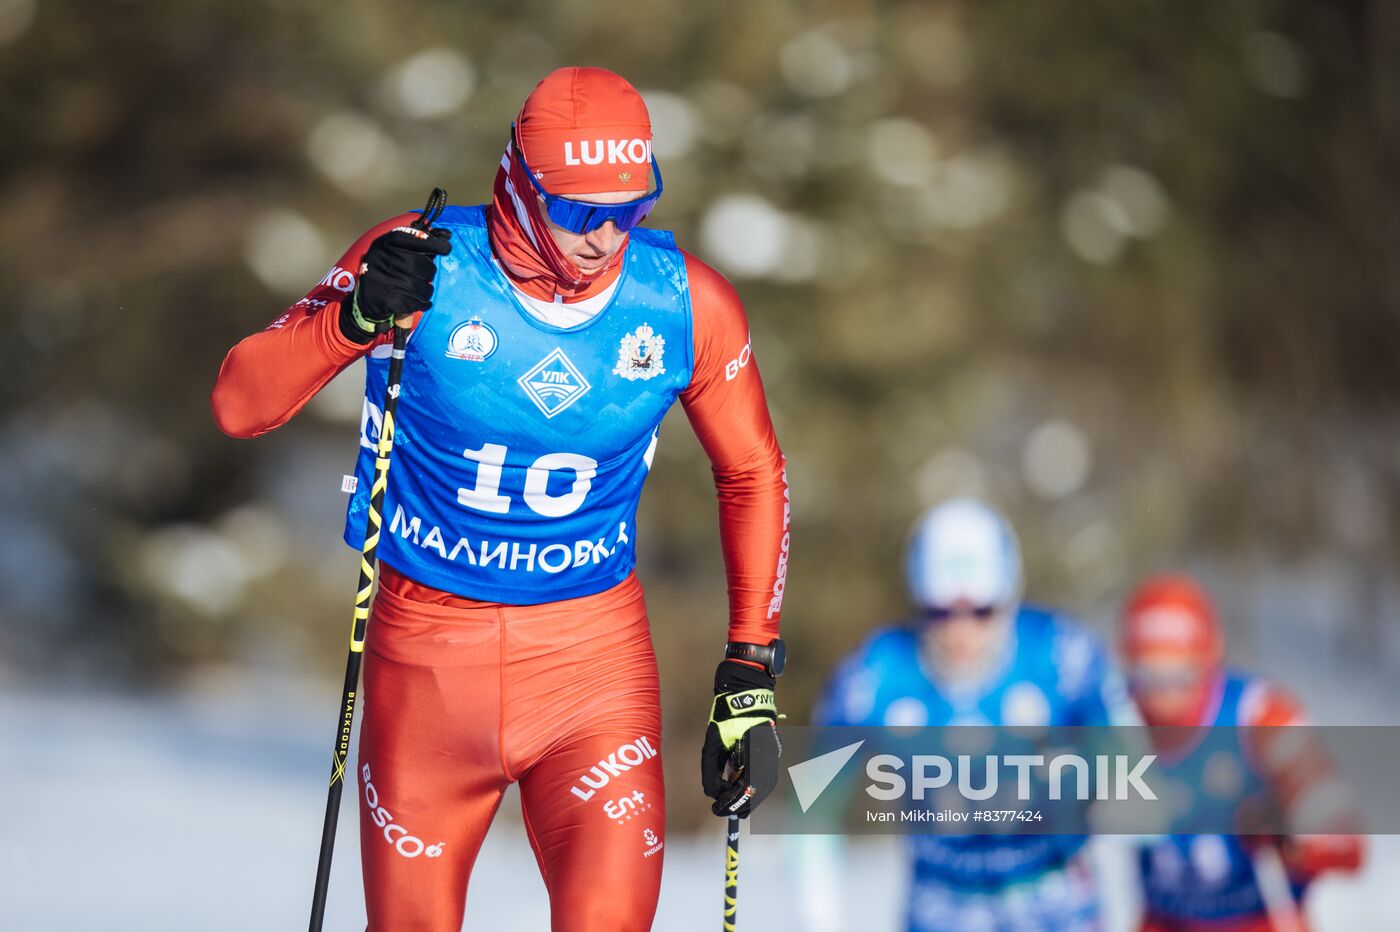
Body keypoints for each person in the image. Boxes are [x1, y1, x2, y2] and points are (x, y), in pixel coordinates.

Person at [211, 66, 789, 931]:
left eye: (630, 209)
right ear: (519, 183)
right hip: (429, 667)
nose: (605, 236)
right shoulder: (424, 263)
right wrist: (354, 319)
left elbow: (752, 471)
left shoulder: (682, 303)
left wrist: (751, 663)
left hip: (592, 669)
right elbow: (240, 402)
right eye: (580, 210)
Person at [805, 497, 1139, 931]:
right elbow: (811, 802)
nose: (960, 630)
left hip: (1054, 903)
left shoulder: (1062, 654)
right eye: (940, 612)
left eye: (982, 611)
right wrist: (817, 916)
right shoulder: (876, 672)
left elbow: (1135, 771)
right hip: (940, 908)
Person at [1119, 575, 1363, 932]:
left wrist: (1289, 833)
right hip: (1165, 919)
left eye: (1181, 675)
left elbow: (1347, 844)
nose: (1163, 696)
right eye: (1148, 675)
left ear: (1210, 655)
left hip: (1258, 917)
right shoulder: (1116, 714)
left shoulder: (1259, 714)